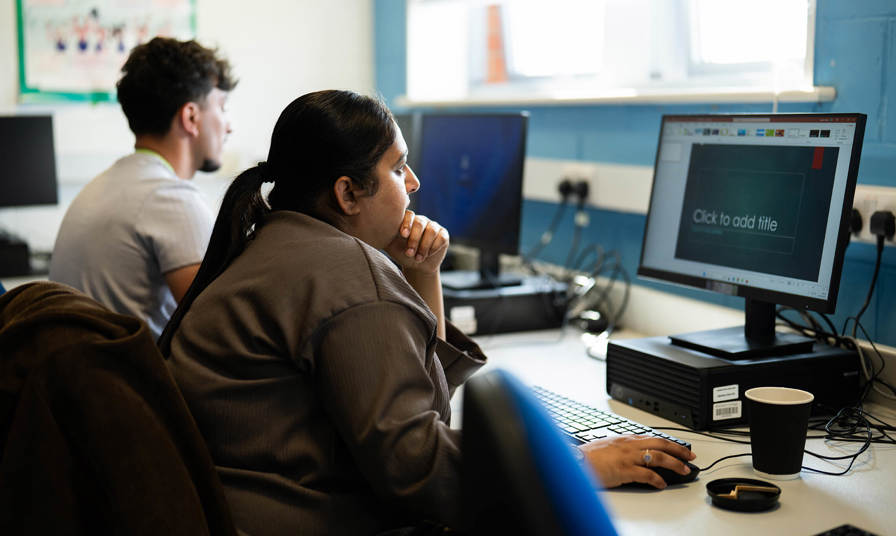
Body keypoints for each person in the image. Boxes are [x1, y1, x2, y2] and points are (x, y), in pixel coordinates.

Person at [159, 90, 696, 535]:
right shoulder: (347, 277)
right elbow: (417, 467)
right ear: (347, 192)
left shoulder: (275, 242)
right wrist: (579, 465)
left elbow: (424, 407)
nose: (414, 183)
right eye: (398, 168)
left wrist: (422, 273)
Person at [49, 36, 237, 339]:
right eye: (222, 107)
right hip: (129, 383)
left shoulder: (102, 186)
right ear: (191, 117)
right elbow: (221, 331)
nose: (229, 125)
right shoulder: (170, 200)